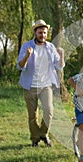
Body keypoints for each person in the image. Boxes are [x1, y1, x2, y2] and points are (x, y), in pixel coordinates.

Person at [17, 19, 65, 147]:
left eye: (44, 33)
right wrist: (27, 56)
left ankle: (43, 134)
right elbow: (20, 66)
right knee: (32, 115)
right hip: (30, 86)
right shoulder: (27, 46)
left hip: (45, 86)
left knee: (49, 111)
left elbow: (59, 66)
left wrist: (61, 56)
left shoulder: (50, 47)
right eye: (40, 32)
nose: (42, 35)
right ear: (35, 33)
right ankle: (34, 138)